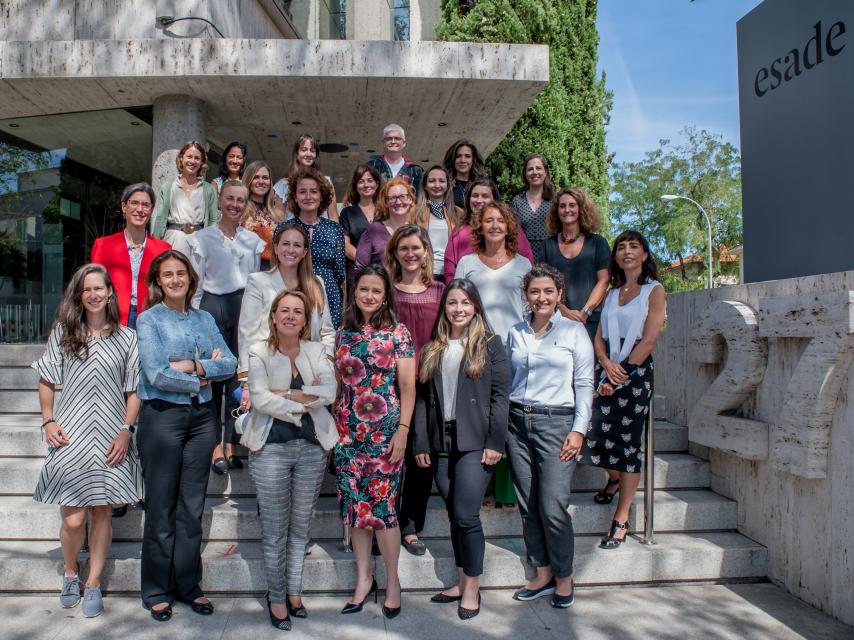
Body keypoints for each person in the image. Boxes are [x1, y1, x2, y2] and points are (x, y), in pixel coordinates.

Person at [33, 264, 142, 618]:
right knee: (74, 520)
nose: (94, 294)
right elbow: (47, 379)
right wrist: (48, 420)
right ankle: (70, 571)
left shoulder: (127, 338)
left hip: (112, 436)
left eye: (100, 288)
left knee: (101, 512)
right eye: (87, 289)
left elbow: (134, 390)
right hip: (71, 436)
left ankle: (93, 582)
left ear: (110, 292)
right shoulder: (64, 333)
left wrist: (127, 429)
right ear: (79, 295)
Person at [135, 250, 237, 622]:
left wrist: (192, 365)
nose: (176, 280)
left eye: (181, 273)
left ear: (191, 278)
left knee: (191, 508)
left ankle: (188, 585)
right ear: (158, 282)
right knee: (161, 506)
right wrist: (200, 378)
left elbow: (230, 364)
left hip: (201, 422)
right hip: (162, 418)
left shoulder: (205, 317)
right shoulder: (149, 320)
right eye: (168, 275)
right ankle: (157, 590)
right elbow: (156, 373)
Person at [242, 290, 338, 631]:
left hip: (312, 448)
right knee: (274, 529)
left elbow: (330, 392)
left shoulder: (316, 350)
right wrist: (303, 401)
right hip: (271, 449)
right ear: (274, 315)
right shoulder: (259, 351)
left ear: (306, 319)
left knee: (300, 528)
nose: (291, 316)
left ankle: (295, 591)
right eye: (285, 310)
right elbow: (260, 398)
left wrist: (287, 394)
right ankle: (277, 596)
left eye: (298, 311)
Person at [414, 279, 509, 620]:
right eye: (452, 302)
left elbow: (500, 397)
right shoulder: (434, 346)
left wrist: (495, 442)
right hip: (441, 444)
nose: (458, 309)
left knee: (467, 514)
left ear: (475, 307)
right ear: (445, 308)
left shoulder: (490, 344)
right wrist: (422, 442)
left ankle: (472, 587)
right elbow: (423, 401)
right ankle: (459, 579)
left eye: (465, 303)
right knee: (454, 514)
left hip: (475, 443)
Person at [505, 265, 594, 609]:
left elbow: (585, 384)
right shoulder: (516, 332)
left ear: (559, 295)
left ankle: (564, 576)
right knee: (528, 506)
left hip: (557, 424)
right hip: (517, 422)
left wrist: (578, 429)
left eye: (548, 292)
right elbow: (509, 380)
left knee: (553, 506)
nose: (541, 298)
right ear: (526, 296)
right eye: (534, 292)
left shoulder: (574, 332)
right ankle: (541, 573)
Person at [333, 264, 415, 619]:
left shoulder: (399, 333)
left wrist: (404, 431)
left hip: (385, 432)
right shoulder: (342, 333)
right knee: (356, 509)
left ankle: (392, 582)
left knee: (382, 510)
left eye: (376, 291)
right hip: (347, 433)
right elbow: (337, 384)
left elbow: (409, 388)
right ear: (355, 292)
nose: (369, 295)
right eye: (363, 289)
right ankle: (363, 579)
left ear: (385, 296)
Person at [578, 230, 666, 549]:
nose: (627, 251)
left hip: (634, 374)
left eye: (634, 247)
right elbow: (599, 335)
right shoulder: (613, 293)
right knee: (592, 430)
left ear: (644, 254)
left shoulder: (653, 291)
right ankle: (613, 479)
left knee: (628, 445)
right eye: (622, 247)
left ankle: (622, 516)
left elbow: (650, 338)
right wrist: (603, 361)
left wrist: (621, 374)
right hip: (607, 367)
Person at [187, 181, 265, 475]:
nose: (234, 204)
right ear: (219, 201)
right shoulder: (202, 238)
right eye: (230, 198)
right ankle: (213, 446)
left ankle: (233, 442)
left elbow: (256, 282)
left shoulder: (253, 241)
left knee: (239, 375)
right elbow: (195, 283)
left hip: (243, 306)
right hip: (211, 306)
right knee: (212, 374)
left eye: (240, 200)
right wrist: (194, 319)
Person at [385, 224, 445, 556]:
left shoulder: (439, 290)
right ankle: (386, 522)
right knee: (390, 457)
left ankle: (410, 526)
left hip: (429, 381)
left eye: (416, 248)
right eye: (403, 248)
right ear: (395, 253)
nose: (410, 254)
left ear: (425, 253)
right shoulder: (385, 291)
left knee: (422, 457)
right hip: (390, 383)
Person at [238, 222, 335, 405]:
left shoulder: (316, 284)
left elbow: (327, 332)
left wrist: (325, 369)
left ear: (305, 252)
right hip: (269, 370)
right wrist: (247, 382)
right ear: (275, 247)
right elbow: (247, 333)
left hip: (310, 374)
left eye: (297, 245)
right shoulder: (258, 281)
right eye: (285, 244)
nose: (290, 250)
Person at [91, 182, 171, 330]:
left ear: (152, 210)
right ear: (124, 207)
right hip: (111, 320)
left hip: (151, 323)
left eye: (146, 205)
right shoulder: (103, 246)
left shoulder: (163, 249)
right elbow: (93, 287)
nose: (139, 209)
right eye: (134, 203)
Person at [542, 187, 610, 341]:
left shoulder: (598, 243)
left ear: (581, 209)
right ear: (556, 211)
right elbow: (543, 284)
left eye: (572, 205)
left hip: (591, 321)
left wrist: (586, 311)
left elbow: (604, 280)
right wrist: (563, 309)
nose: (567, 210)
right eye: (562, 206)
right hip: (557, 320)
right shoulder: (547, 246)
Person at [442, 178, 535, 284]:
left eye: (485, 196)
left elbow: (527, 261)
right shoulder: (459, 231)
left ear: (494, 200)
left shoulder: (510, 227)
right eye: (475, 196)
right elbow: (450, 271)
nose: (479, 200)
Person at [287, 167, 346, 327]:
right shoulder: (284, 229)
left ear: (321, 196)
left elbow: (340, 272)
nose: (308, 196)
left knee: (326, 347)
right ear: (295, 196)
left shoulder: (335, 229)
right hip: (293, 295)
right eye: (302, 191)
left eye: (313, 191)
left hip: (329, 296)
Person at [151, 140, 218, 257]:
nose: (192, 161)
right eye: (189, 157)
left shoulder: (208, 189)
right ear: (181, 158)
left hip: (199, 242)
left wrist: (213, 247)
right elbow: (160, 218)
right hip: (172, 240)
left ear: (202, 162)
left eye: (197, 158)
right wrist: (153, 245)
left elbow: (212, 221)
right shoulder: (168, 186)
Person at [273, 134, 339, 221]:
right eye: (304, 150)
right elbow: (278, 220)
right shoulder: (283, 184)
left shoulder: (326, 182)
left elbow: (333, 216)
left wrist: (336, 234)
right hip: (292, 232)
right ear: (296, 154)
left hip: (322, 233)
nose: (308, 154)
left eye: (312, 150)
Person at [355, 177, 415, 270]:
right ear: (386, 202)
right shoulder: (373, 231)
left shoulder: (419, 233)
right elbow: (360, 267)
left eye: (403, 196)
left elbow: (426, 266)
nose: (398, 202)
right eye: (392, 198)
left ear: (410, 199)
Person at [413, 165, 460, 280]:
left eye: (442, 181)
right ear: (425, 185)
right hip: (423, 271)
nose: (437, 185)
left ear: (447, 185)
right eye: (432, 181)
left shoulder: (457, 213)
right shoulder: (414, 212)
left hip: (450, 272)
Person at [340, 164, 381, 290]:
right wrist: (366, 263)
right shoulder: (347, 212)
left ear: (377, 184)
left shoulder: (386, 211)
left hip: (383, 271)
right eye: (361, 181)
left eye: (370, 180)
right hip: (356, 271)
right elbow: (345, 245)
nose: (366, 185)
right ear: (356, 186)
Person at [241, 160, 287, 270]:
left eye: (265, 178)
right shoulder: (240, 210)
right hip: (245, 272)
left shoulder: (277, 215)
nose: (261, 181)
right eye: (256, 177)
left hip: (272, 272)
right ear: (248, 180)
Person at [511, 154, 554, 263]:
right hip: (523, 258)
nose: (534, 172)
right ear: (525, 174)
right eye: (530, 169)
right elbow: (513, 233)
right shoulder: (517, 201)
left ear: (545, 172)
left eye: (538, 168)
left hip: (551, 255)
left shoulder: (555, 201)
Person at [367, 124, 423, 192]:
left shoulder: (415, 170)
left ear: (404, 143)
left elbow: (418, 198)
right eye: (388, 139)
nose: (393, 142)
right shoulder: (371, 166)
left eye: (397, 138)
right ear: (383, 142)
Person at [442, 139, 486, 208]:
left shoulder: (484, 185)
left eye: (467, 156)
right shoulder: (444, 185)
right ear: (452, 159)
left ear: (473, 159)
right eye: (458, 156)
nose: (463, 160)